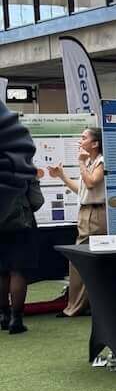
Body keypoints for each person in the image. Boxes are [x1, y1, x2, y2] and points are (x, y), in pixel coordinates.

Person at [48, 126, 106, 317]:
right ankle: (84, 304)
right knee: (84, 259)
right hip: (87, 212)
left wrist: (81, 163)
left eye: (84, 138)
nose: (80, 141)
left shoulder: (100, 162)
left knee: (80, 259)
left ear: (95, 143)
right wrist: (62, 176)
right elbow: (82, 190)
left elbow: (91, 183)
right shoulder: (91, 162)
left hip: (96, 214)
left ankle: (76, 306)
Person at [0, 100, 41, 337]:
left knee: (1, 272)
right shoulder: (23, 166)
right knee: (18, 271)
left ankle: (3, 315)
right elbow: (37, 201)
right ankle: (16, 319)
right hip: (20, 223)